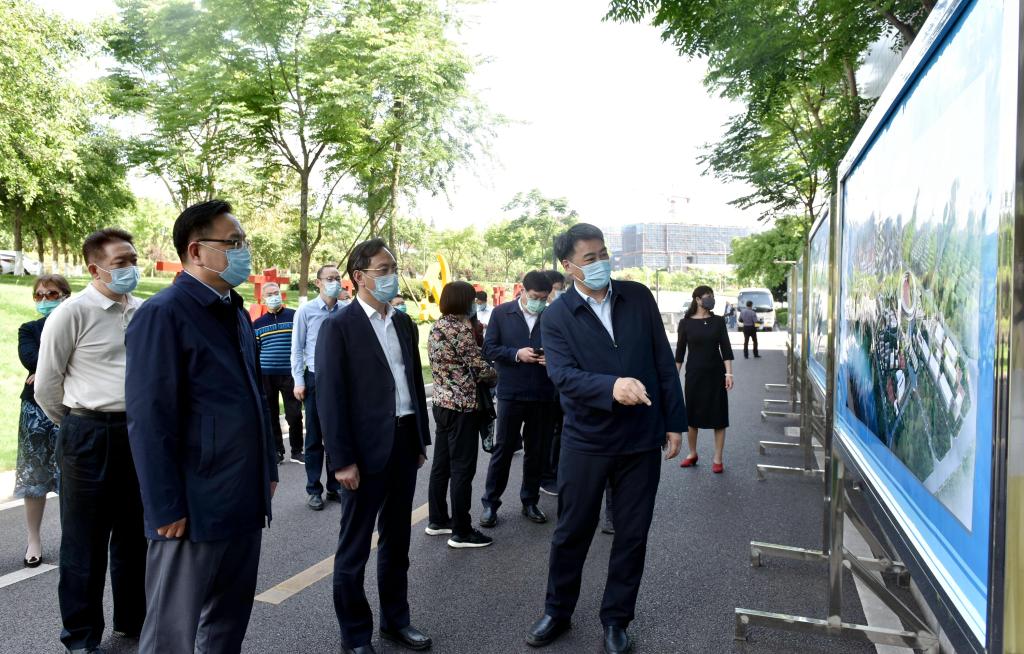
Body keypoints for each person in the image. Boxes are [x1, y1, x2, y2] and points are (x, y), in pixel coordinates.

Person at [125, 199, 278, 654]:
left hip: (242, 495)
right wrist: (164, 506)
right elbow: (149, 419)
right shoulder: (163, 313)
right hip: (191, 507)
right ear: (196, 250)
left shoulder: (235, 310)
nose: (243, 251)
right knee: (171, 635)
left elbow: (255, 400)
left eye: (243, 242)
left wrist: (267, 468)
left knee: (228, 625)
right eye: (233, 243)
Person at [526, 223, 686, 654]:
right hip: (587, 442)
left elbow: (663, 362)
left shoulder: (637, 297)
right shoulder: (557, 316)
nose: (600, 264)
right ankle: (557, 611)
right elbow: (562, 375)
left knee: (632, 536)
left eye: (603, 255)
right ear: (568, 266)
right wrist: (611, 387)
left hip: (641, 440)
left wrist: (675, 422)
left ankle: (616, 620)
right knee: (571, 532)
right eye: (589, 258)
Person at [315, 238, 432, 654]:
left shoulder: (403, 323)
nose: (391, 276)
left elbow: (413, 383)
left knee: (397, 543)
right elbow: (330, 399)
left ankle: (396, 621)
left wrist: (419, 438)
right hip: (362, 454)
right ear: (359, 277)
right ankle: (355, 636)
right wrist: (342, 460)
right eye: (383, 270)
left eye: (393, 268)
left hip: (403, 442)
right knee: (354, 550)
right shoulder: (338, 326)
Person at [34, 229, 147, 653]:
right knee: (85, 541)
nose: (131, 268)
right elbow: (47, 385)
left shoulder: (143, 310)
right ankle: (81, 636)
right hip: (87, 433)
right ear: (94, 269)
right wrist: (79, 423)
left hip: (137, 433)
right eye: (121, 262)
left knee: (135, 535)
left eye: (133, 260)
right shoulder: (71, 313)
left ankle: (132, 620)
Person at [480, 270, 556, 528]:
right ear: (522, 290)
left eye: (544, 298)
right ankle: (490, 503)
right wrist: (516, 354)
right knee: (503, 449)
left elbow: (566, 348)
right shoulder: (502, 313)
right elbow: (489, 348)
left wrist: (552, 358)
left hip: (543, 393)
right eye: (535, 297)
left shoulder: (552, 316)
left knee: (537, 451)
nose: (539, 302)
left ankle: (530, 501)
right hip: (511, 392)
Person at [426, 281, 497, 549]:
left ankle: (437, 520)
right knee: (462, 469)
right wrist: (495, 373)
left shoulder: (438, 326)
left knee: (441, 466)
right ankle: (462, 531)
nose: (474, 304)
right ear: (462, 301)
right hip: (463, 408)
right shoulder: (459, 329)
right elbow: (479, 368)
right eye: (471, 300)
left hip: (442, 404)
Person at [15, 274, 71, 569]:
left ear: (65, 296)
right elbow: (30, 358)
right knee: (34, 477)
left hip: (69, 409)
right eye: (39, 295)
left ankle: (72, 540)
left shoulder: (76, 324)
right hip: (35, 412)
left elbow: (80, 358)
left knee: (71, 478)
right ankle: (34, 540)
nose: (45, 299)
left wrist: (46, 370)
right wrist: (58, 366)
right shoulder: (29, 329)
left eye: (52, 294)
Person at [292, 264, 344, 510]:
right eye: (329, 278)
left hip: (341, 380)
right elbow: (297, 348)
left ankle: (335, 486)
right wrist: (299, 380)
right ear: (318, 282)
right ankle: (314, 489)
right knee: (314, 436)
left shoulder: (346, 310)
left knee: (336, 433)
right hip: (315, 378)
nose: (335, 282)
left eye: (338, 278)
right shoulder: (306, 311)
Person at [676, 286, 735, 473]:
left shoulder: (718, 321)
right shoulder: (685, 323)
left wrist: (729, 373)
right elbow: (680, 353)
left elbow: (726, 348)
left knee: (719, 416)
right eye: (707, 296)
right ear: (697, 299)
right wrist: (673, 378)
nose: (711, 299)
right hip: (694, 376)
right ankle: (692, 453)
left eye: (712, 296)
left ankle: (718, 458)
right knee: (692, 417)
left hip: (716, 375)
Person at [254, 281, 304, 463]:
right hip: (266, 375)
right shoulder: (257, 324)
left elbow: (302, 342)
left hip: (291, 373)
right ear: (263, 299)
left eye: (276, 293)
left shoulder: (294, 316)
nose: (273, 297)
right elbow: (256, 350)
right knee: (271, 414)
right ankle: (277, 451)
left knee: (294, 414)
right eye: (269, 294)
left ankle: (297, 451)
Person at [539, 270, 568, 496]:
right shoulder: (542, 314)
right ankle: (546, 475)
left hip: (560, 383)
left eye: (561, 288)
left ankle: (558, 472)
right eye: (557, 289)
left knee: (560, 430)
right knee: (549, 432)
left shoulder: (563, 312)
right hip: (541, 385)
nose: (560, 293)